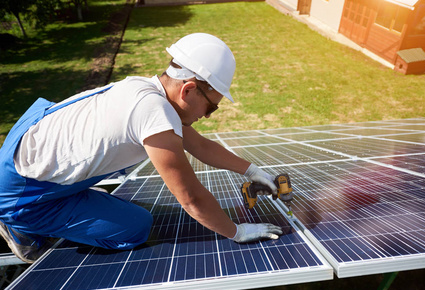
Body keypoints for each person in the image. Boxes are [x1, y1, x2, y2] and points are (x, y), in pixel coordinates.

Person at [0, 33, 282, 264]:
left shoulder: (145, 90)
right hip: (23, 194)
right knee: (135, 227)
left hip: (23, 149)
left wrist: (251, 170)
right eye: (212, 106)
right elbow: (191, 198)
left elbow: (199, 145)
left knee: (128, 212)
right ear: (188, 90)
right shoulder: (153, 114)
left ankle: (72, 194)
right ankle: (21, 228)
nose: (208, 115)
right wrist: (237, 231)